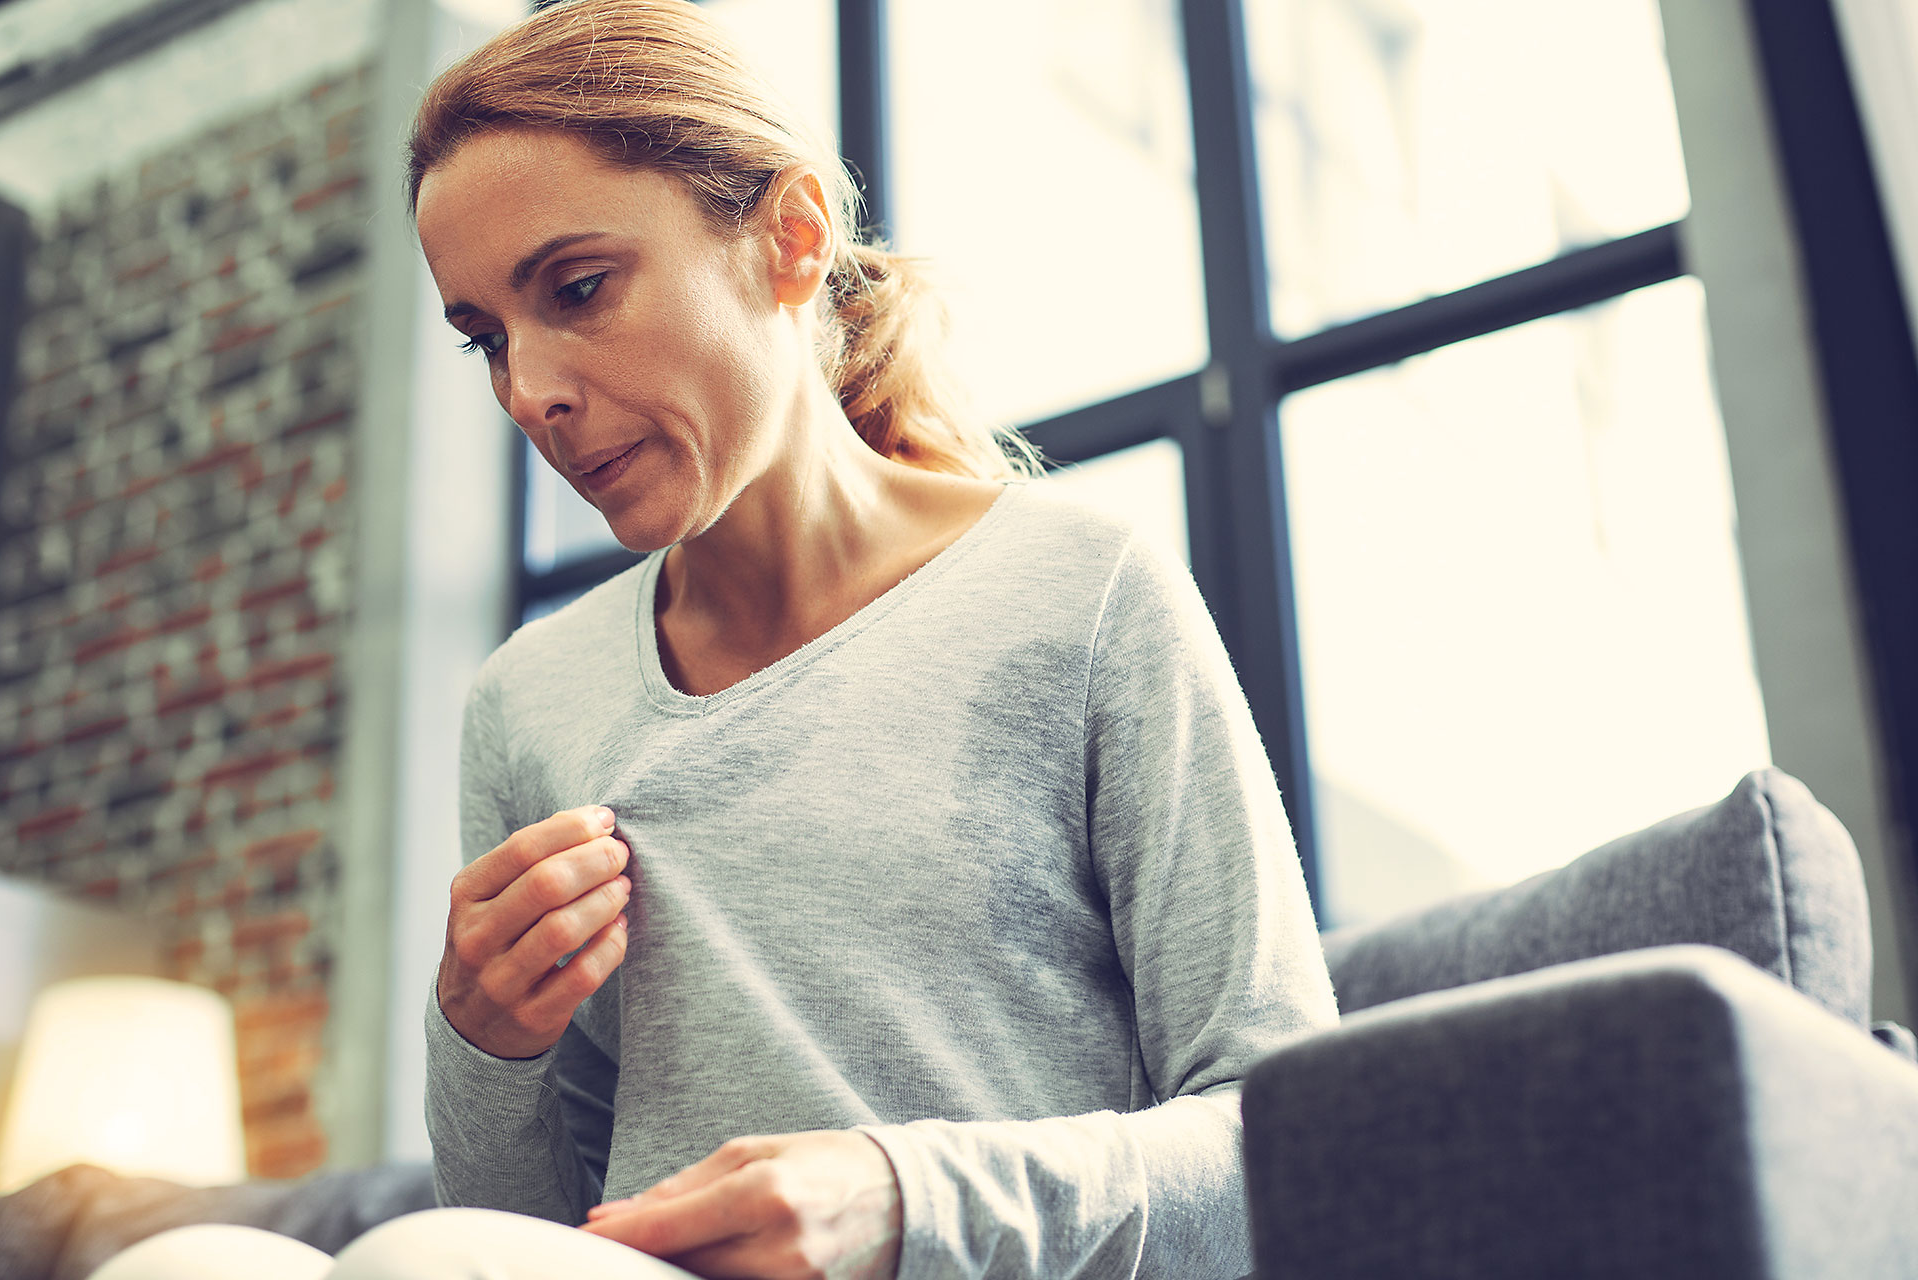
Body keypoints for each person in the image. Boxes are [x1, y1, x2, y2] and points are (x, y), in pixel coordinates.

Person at [94, 1, 1337, 1276]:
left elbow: (1293, 1142)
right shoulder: (530, 702)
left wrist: (904, 1198)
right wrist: (481, 1042)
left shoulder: (1082, 589)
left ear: (790, 239)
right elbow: (515, 1235)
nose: (531, 392)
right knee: (172, 1265)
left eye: (578, 289)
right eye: (487, 341)